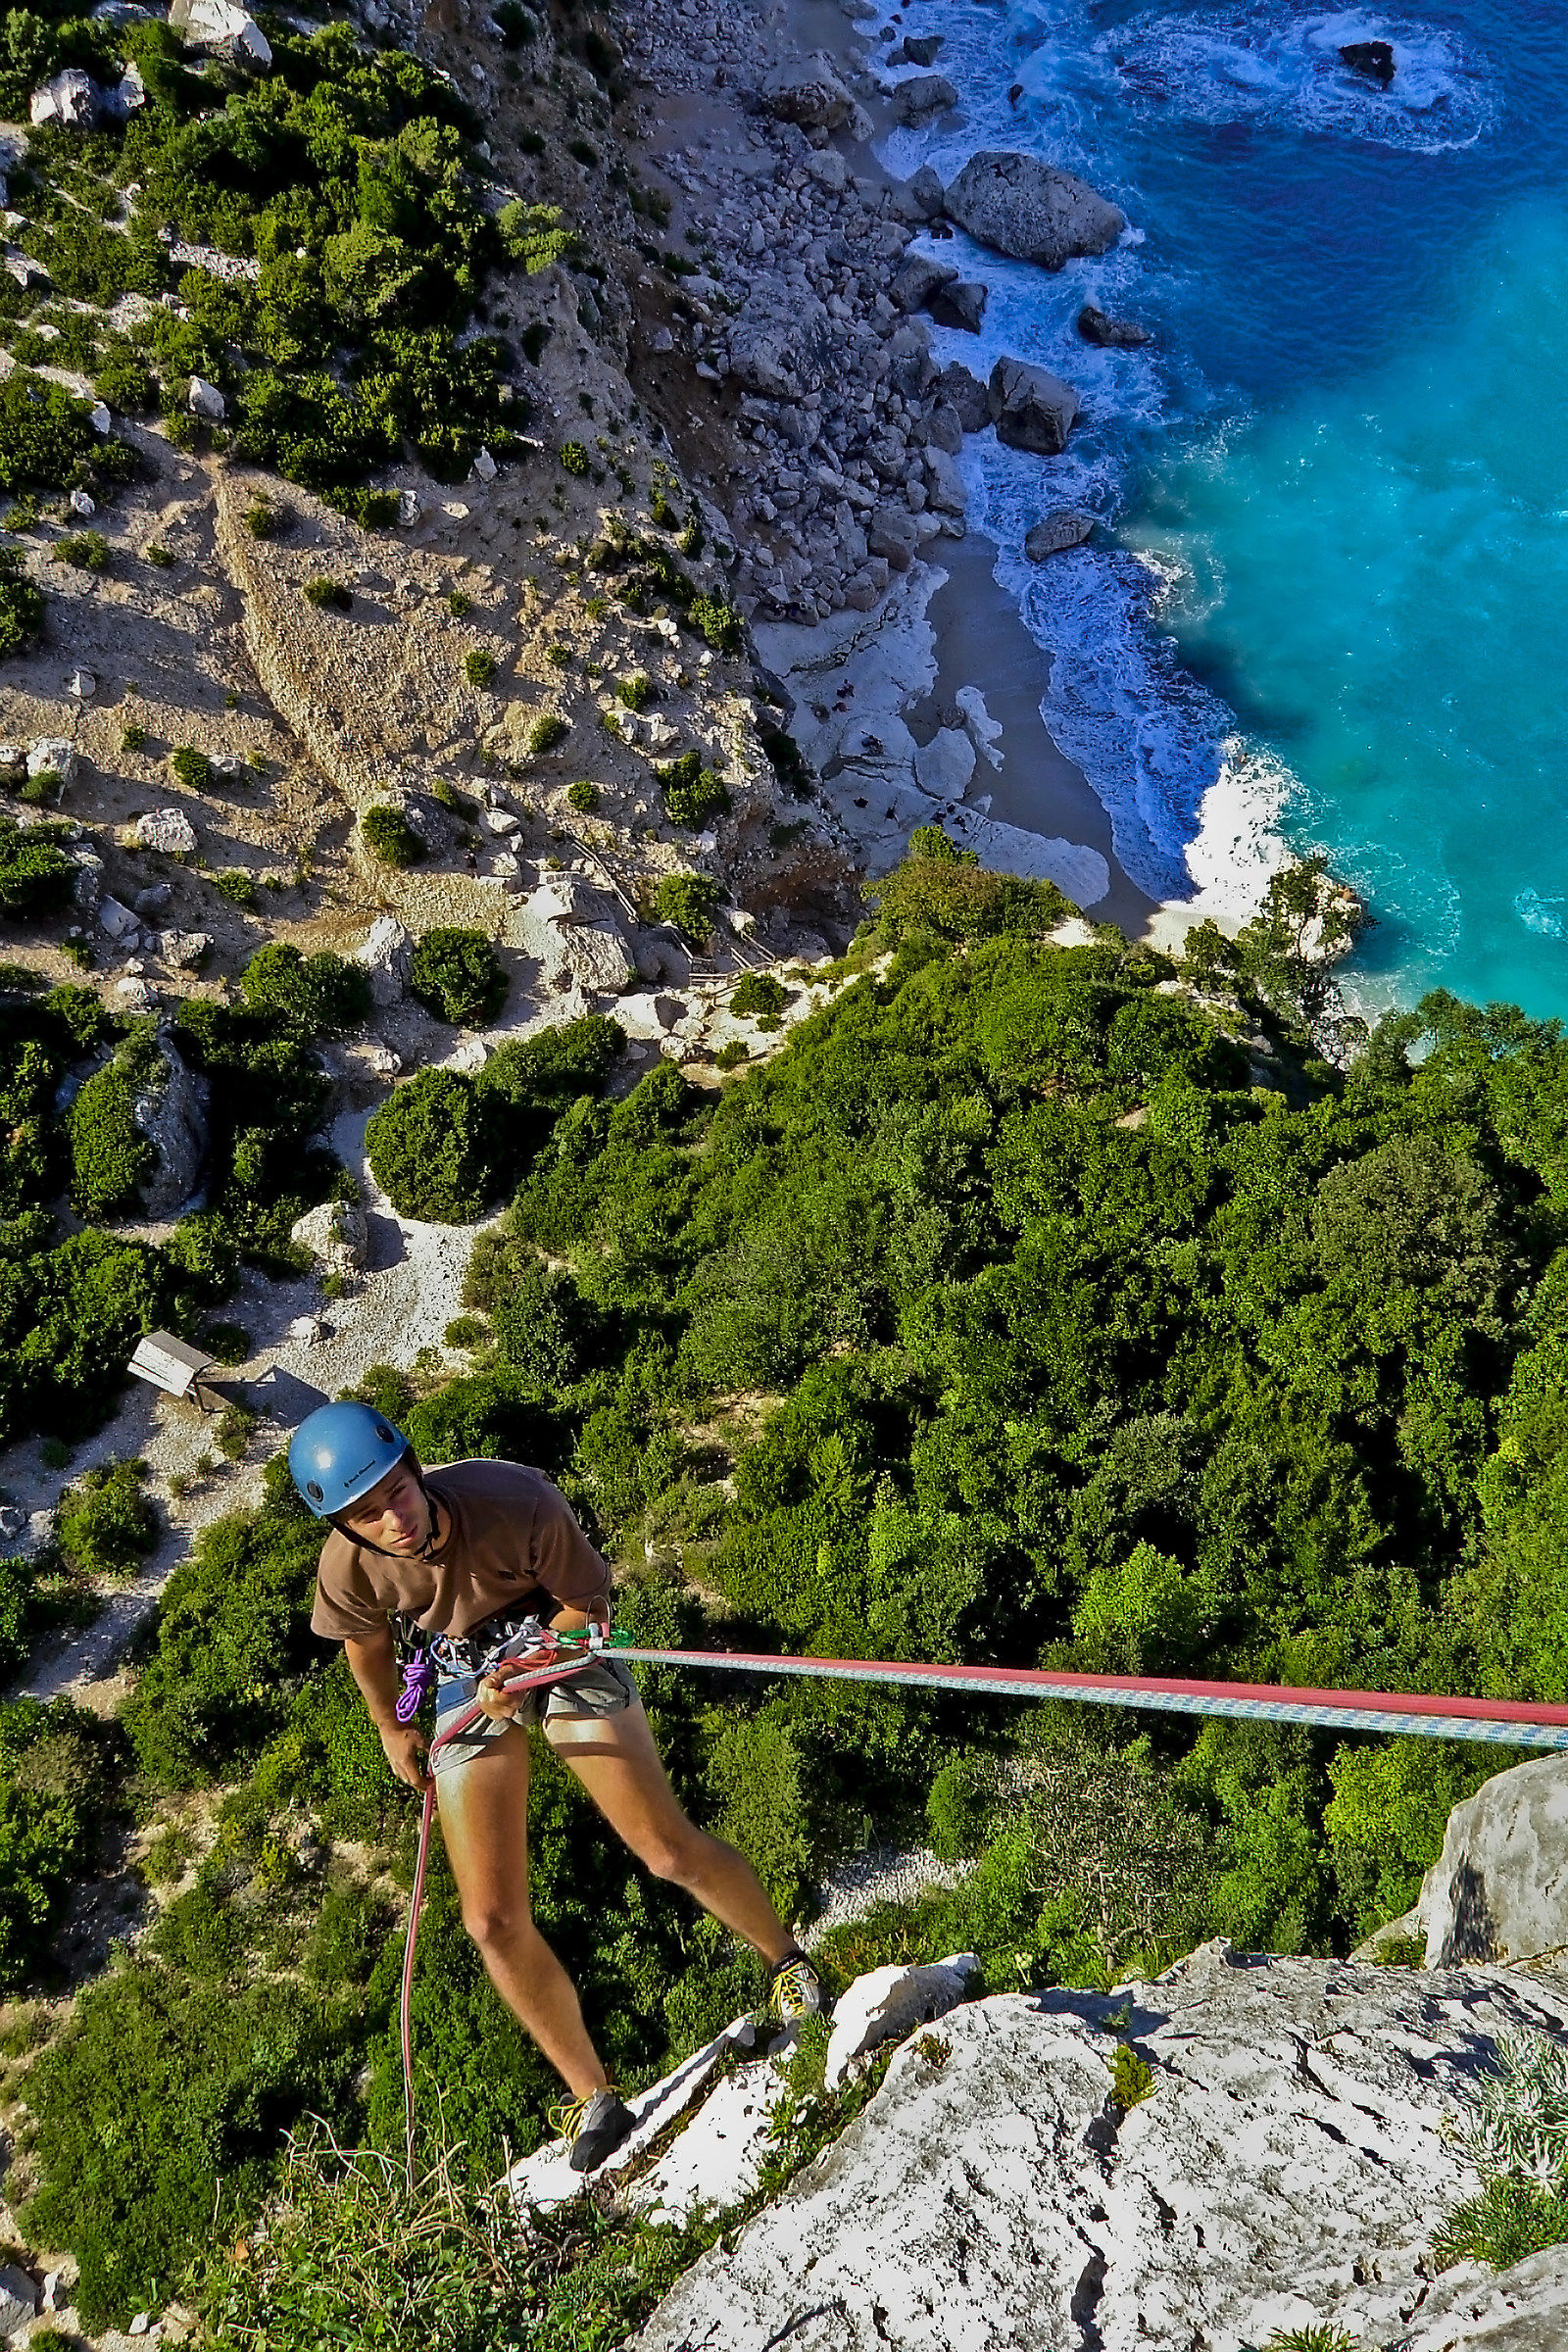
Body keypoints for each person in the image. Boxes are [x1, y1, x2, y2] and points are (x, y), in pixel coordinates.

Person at [291, 1400, 823, 2174]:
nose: (393, 1522)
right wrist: (389, 1729)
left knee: (663, 1848)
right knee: (490, 1920)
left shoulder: (514, 1499)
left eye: (396, 1494)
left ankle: (786, 1962)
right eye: (367, 1516)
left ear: (414, 1468)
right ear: (345, 1528)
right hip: (464, 1675)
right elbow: (366, 1646)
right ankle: (593, 2096)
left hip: (559, 1639)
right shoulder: (350, 1568)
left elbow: (587, 1607)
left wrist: (531, 1668)